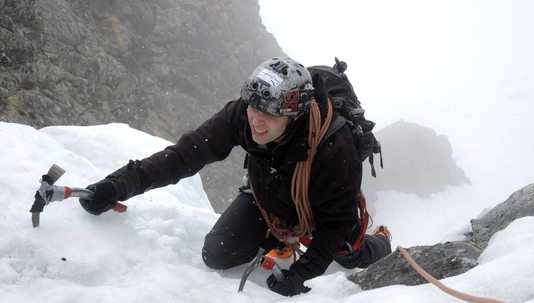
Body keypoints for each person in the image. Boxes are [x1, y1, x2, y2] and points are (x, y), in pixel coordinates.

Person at [79, 57, 392, 296]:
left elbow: (335, 222)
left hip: (323, 211)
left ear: (294, 116)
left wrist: (303, 272)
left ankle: (380, 241)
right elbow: (185, 155)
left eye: (269, 115)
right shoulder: (243, 113)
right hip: (267, 198)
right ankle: (281, 238)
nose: (256, 120)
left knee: (350, 254)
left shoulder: (334, 147)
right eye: (254, 109)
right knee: (217, 253)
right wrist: (120, 183)